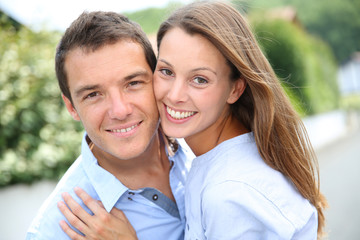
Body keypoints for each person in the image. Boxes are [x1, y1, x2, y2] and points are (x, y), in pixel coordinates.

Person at [59, 1, 327, 239]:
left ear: (235, 89)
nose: (174, 95)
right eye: (166, 71)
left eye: (200, 79)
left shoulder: (229, 193)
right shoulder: (210, 159)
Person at [25, 11, 193, 240]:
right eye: (93, 94)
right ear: (71, 107)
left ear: (156, 80)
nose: (120, 110)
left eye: (133, 83)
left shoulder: (200, 144)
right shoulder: (56, 230)